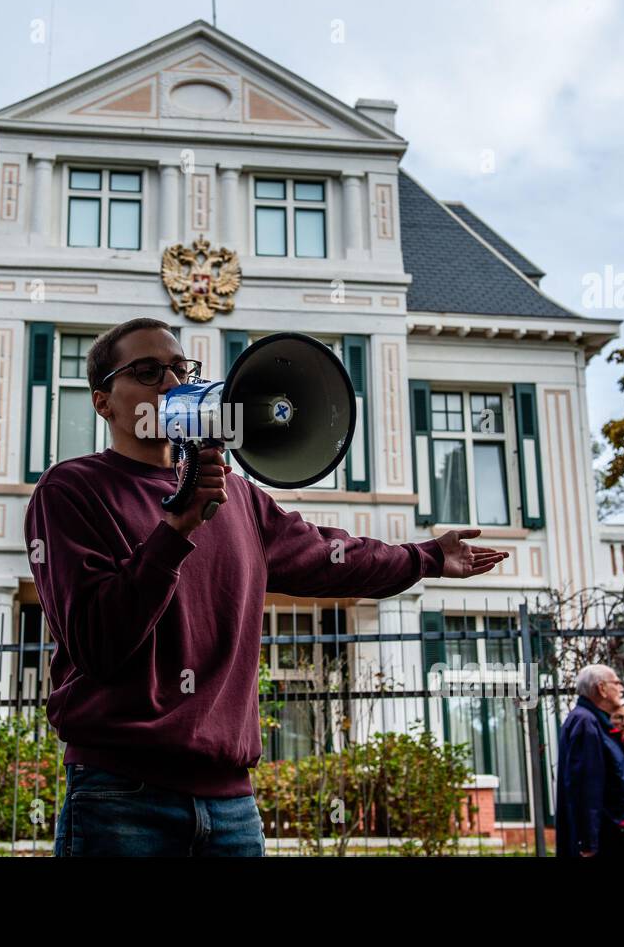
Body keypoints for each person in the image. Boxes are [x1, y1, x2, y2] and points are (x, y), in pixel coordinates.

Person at [25, 318, 509, 856]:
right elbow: (97, 642)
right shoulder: (71, 491)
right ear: (103, 402)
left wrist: (426, 558)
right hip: (120, 797)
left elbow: (331, 556)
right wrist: (176, 529)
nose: (171, 383)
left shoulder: (239, 497)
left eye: (180, 369)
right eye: (146, 371)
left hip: (231, 804)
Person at [555, 664, 624, 857]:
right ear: (601, 688)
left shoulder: (597, 724)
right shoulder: (586, 723)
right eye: (616, 683)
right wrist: (587, 843)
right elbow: (585, 786)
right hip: (612, 840)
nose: (621, 688)